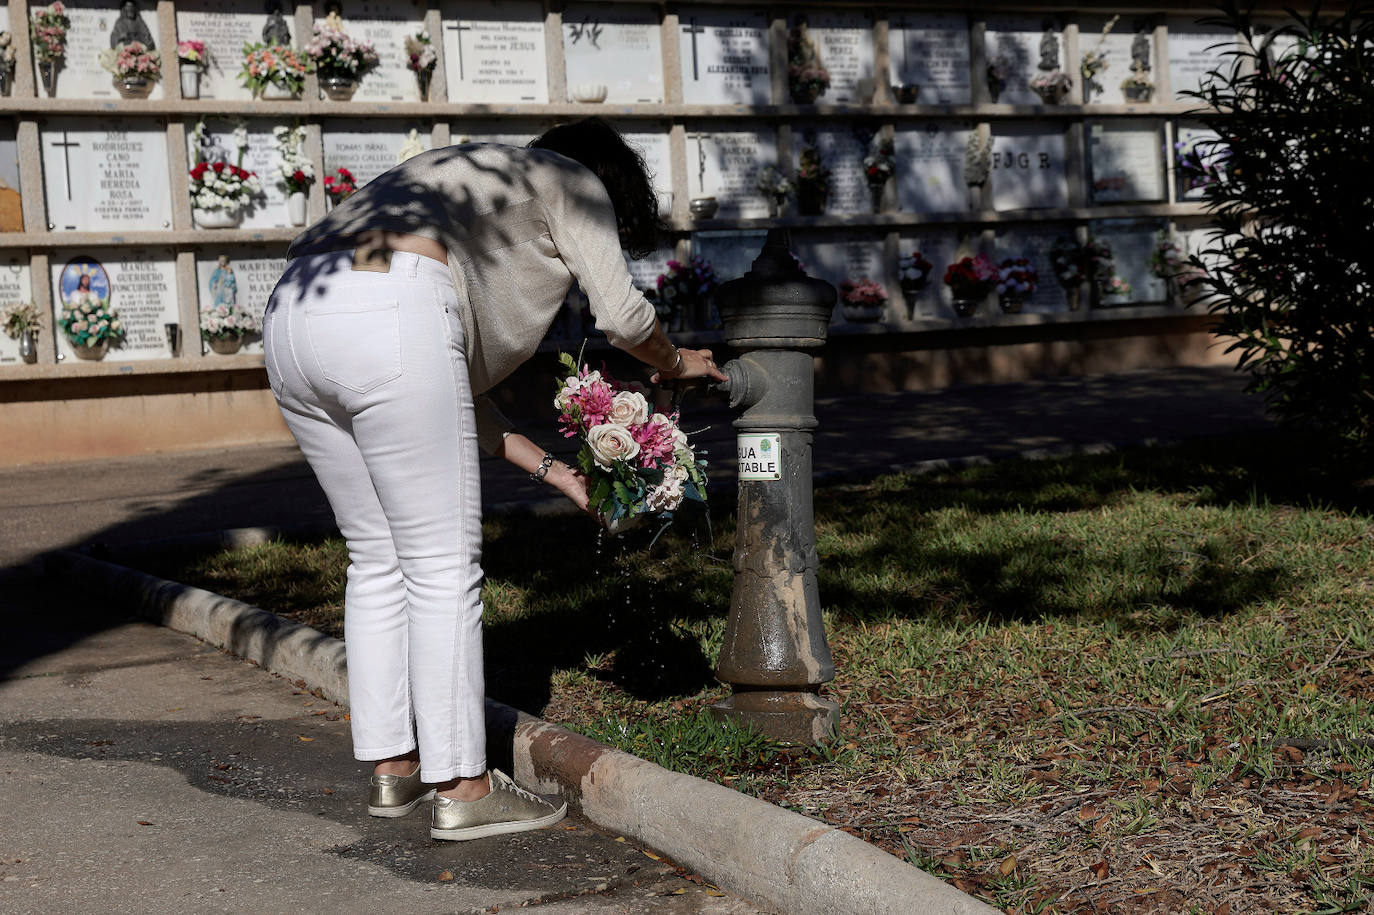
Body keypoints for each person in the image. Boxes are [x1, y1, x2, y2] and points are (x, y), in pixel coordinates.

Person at [263, 118, 726, 841]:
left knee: (377, 553)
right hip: (389, 305)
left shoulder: (468, 173)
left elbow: (435, 386)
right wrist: (676, 363)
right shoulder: (573, 181)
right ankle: (465, 787)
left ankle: (395, 768)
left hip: (294, 307)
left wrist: (559, 473)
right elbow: (624, 316)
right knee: (442, 563)